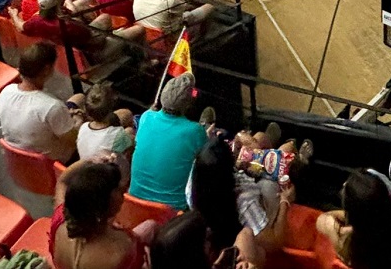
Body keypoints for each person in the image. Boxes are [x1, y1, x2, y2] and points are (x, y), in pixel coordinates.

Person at [150, 139, 261, 268]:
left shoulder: (192, 192)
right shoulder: (245, 197)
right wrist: (284, 201)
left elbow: (246, 233)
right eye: (207, 240)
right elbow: (251, 235)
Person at [51, 158, 150, 269]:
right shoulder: (121, 249)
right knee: (151, 226)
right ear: (102, 207)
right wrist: (92, 161)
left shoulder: (60, 221)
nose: (123, 189)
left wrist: (92, 165)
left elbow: (62, 181)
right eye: (117, 189)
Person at [130, 73, 209, 210]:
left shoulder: (146, 116)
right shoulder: (195, 130)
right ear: (189, 104)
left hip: (134, 203)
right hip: (171, 211)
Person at [0, 42, 82, 163]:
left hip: (22, 159)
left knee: (78, 97)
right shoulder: (52, 107)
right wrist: (79, 119)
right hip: (58, 161)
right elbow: (74, 140)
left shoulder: (6, 91)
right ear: (47, 70)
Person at [317, 170, 391, 269]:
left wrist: (350, 222)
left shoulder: (348, 245)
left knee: (372, 172)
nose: (344, 183)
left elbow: (322, 220)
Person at [76, 83, 135, 161]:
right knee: (130, 132)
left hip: (86, 167)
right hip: (109, 170)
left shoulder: (83, 127)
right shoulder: (117, 134)